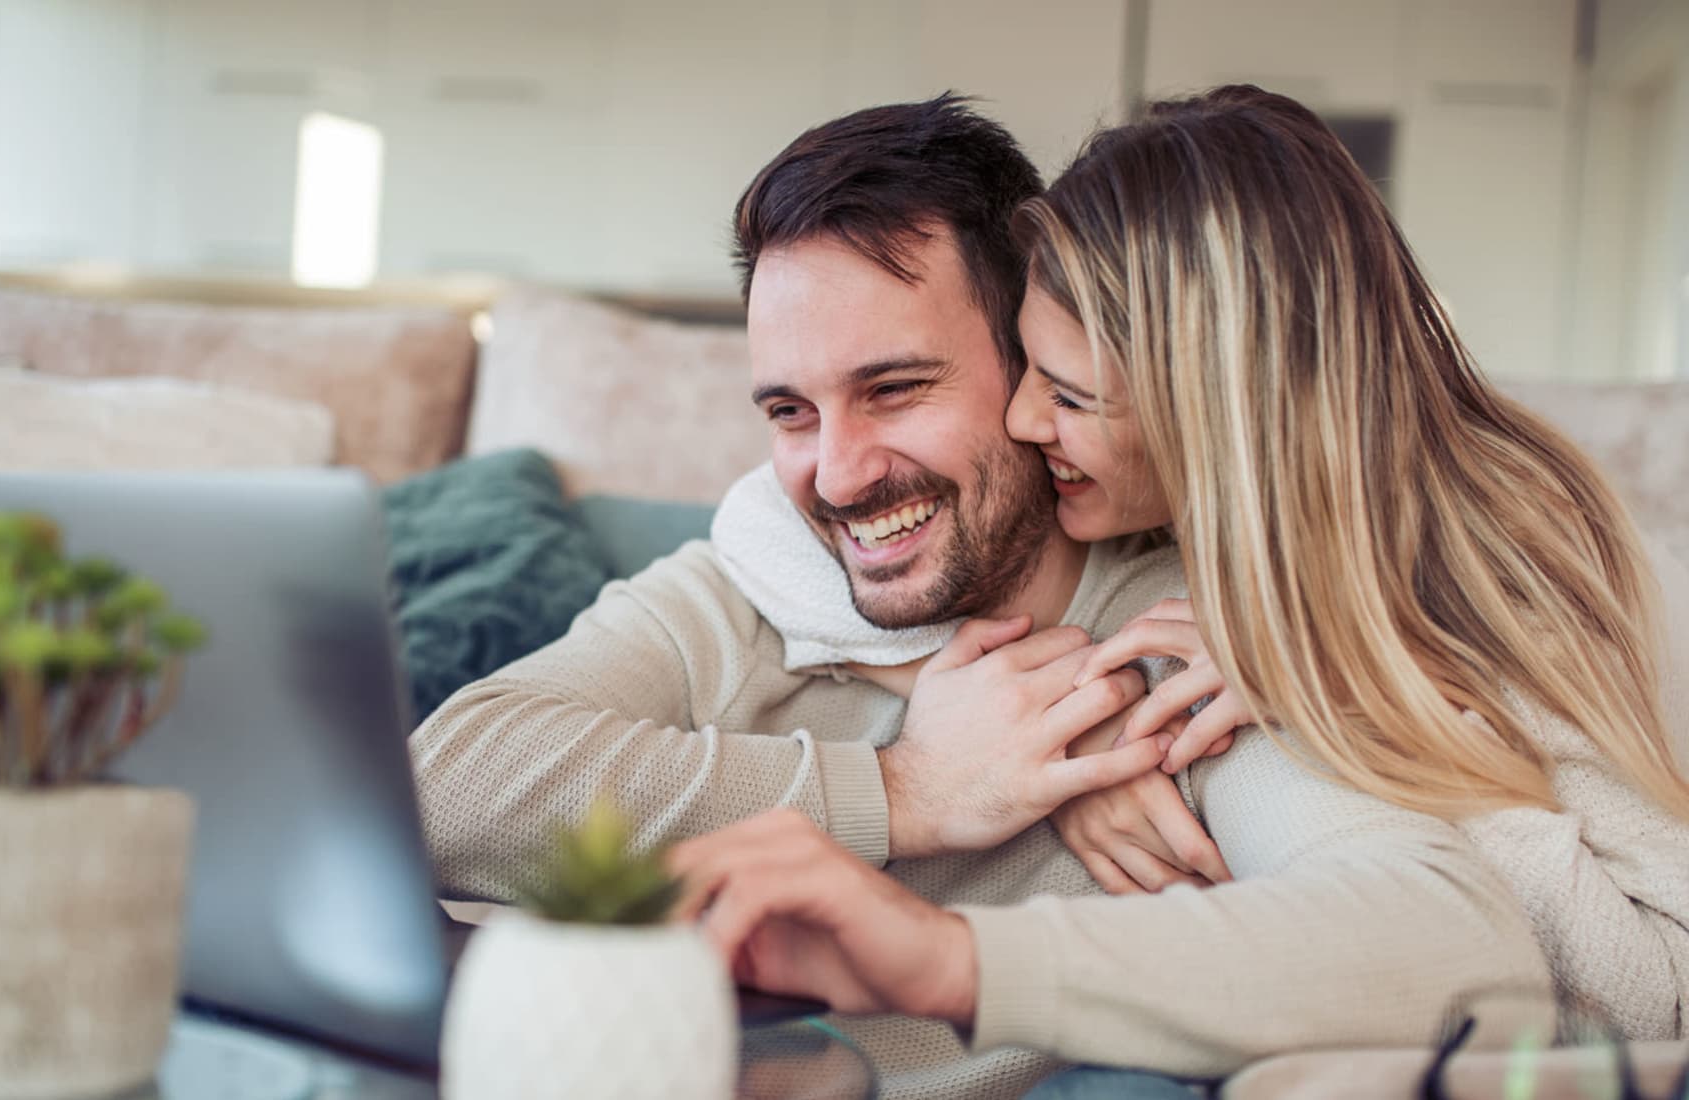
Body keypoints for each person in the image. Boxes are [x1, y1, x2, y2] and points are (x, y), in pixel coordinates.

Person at [672, 85, 1689, 1094]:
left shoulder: (1519, 557)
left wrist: (1345, 686)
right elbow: (761, 523)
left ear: (1205, 407)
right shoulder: (1210, 533)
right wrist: (1056, 737)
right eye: (1028, 368)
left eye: (1066, 394)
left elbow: (1653, 996)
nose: (1023, 420)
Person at [412, 96, 1246, 1097]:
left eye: (893, 388)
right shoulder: (748, 584)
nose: (839, 476)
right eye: (790, 411)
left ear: (1035, 355)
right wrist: (904, 789)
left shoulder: (1199, 630)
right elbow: (446, 786)